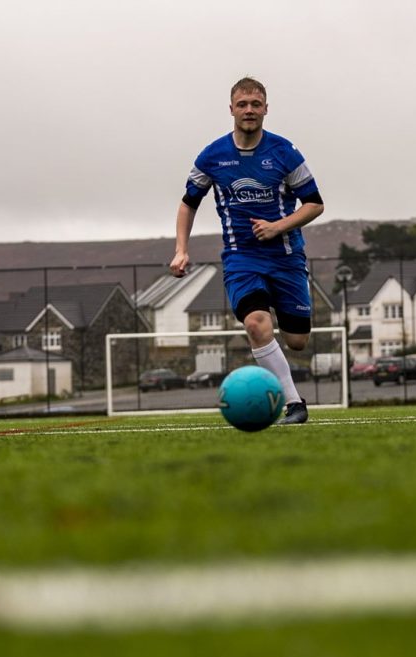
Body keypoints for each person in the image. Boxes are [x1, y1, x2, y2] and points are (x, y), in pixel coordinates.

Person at [170, 77, 324, 425]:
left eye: (256, 104)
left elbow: (314, 204)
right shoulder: (212, 156)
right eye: (243, 104)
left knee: (297, 340)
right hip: (241, 258)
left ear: (266, 109)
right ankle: (294, 404)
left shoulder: (285, 153)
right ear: (231, 110)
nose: (249, 110)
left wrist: (277, 227)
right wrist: (181, 249)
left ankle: (278, 326)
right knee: (256, 323)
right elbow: (187, 203)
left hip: (286, 258)